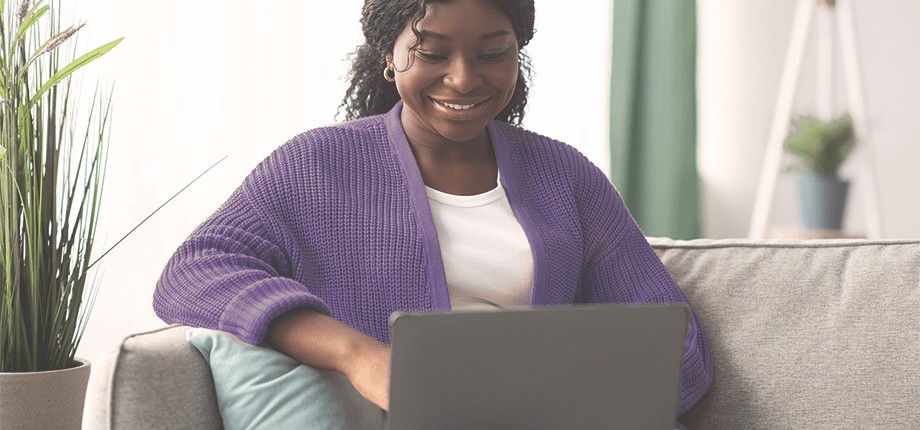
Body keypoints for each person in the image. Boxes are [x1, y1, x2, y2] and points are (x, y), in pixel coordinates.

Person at [154, 0, 712, 423]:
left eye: (492, 53)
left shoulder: (566, 176)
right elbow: (194, 270)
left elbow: (680, 350)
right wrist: (360, 356)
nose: (463, 78)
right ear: (389, 56)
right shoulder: (317, 164)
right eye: (432, 53)